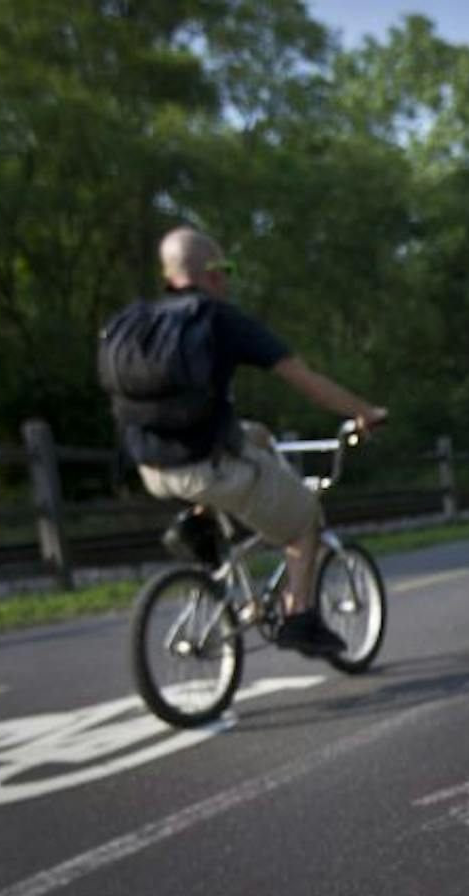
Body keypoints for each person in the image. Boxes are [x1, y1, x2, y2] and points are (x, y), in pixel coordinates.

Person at [110, 227, 388, 656]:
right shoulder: (219, 319)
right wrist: (363, 412)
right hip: (205, 466)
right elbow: (306, 380)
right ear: (214, 273)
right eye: (227, 270)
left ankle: (203, 525)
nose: (229, 280)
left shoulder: (138, 321)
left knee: (256, 432)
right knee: (304, 519)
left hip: (152, 466)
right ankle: (301, 617)